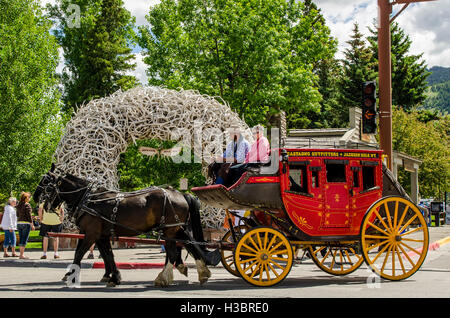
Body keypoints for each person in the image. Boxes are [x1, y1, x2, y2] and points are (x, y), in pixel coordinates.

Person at [16, 192, 35, 259]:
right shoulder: (27, 205)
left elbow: (17, 215)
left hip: (19, 223)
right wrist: (32, 224)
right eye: (29, 197)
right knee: (24, 239)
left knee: (21, 239)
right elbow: (29, 216)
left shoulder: (18, 205)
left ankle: (21, 254)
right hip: (26, 224)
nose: (29, 199)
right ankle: (21, 255)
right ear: (26, 198)